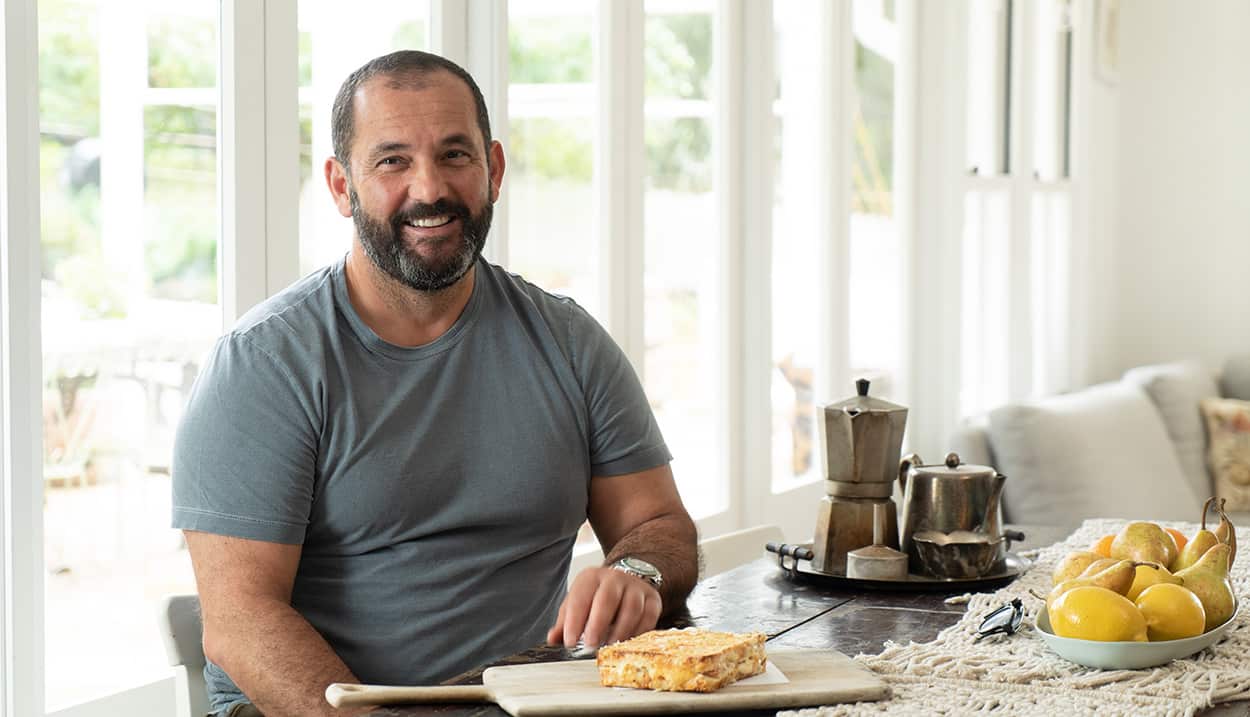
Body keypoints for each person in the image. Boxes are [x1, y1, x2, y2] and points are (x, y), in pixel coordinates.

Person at [172, 50, 697, 717]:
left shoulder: (568, 341)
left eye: (454, 155)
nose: (429, 189)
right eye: (393, 160)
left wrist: (637, 571)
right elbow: (241, 622)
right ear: (341, 186)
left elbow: (657, 522)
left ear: (493, 170)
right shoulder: (264, 364)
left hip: (523, 701)